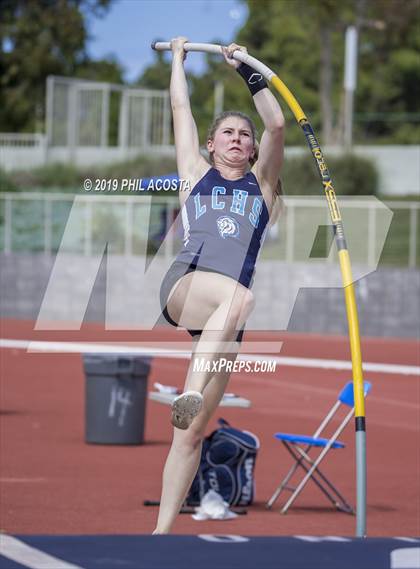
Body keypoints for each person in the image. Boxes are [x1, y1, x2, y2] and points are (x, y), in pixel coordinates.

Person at [153, 37, 285, 534]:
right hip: (186, 289)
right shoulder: (194, 174)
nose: (236, 138)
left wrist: (248, 68)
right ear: (211, 144)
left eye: (243, 135)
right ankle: (188, 389)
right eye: (226, 133)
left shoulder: (263, 188)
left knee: (190, 436)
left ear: (252, 149)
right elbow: (180, 106)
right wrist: (178, 60)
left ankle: (161, 535)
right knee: (241, 296)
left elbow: (275, 121)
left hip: (224, 324)